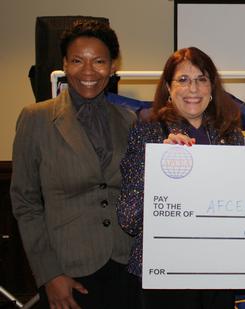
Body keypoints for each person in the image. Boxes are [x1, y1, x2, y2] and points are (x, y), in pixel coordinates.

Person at [10, 20, 138, 309]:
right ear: (65, 65)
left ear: (113, 66)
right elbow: (25, 203)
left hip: (124, 268)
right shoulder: (36, 118)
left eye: (99, 61)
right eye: (78, 61)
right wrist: (49, 274)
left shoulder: (128, 120)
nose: (89, 71)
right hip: (68, 272)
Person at [117, 47, 244, 309]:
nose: (193, 89)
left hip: (217, 272)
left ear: (212, 86)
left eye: (201, 79)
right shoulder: (148, 134)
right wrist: (162, 169)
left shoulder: (230, 135)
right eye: (183, 80)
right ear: (168, 87)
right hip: (164, 274)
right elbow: (128, 218)